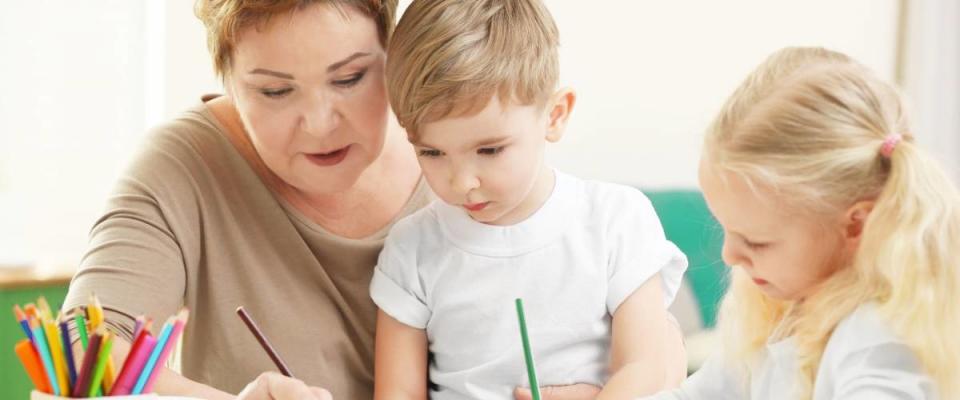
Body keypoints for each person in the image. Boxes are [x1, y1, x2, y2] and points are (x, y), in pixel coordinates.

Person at [62, 1, 426, 398]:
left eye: (350, 78)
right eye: (275, 90)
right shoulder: (185, 164)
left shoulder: (465, 145)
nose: (320, 123)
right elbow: (81, 350)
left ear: (393, 55)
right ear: (228, 82)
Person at [369, 1, 689, 399]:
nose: (463, 182)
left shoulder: (615, 220)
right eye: (432, 153)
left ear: (554, 116)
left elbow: (645, 367)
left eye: (489, 150)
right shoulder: (413, 248)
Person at [644, 47, 959, 399]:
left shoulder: (879, 337)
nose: (729, 254)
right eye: (726, 229)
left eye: (757, 241)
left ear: (855, 225)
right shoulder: (778, 312)